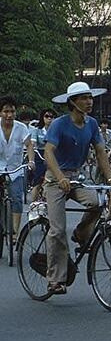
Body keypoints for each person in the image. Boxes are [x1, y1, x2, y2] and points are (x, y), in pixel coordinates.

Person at [43, 82, 111, 295]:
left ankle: (81, 232)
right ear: (73, 102)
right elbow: (48, 152)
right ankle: (55, 279)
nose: (89, 101)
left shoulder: (92, 124)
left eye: (90, 97)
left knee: (96, 202)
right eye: (84, 98)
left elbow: (101, 152)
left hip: (77, 177)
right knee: (57, 230)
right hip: (56, 179)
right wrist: (59, 177)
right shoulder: (59, 124)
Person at [0, 96, 34, 243]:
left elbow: (29, 145)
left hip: (16, 169)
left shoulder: (21, 127)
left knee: (17, 199)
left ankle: (15, 232)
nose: (9, 115)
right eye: (6, 111)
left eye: (12, 111)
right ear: (0, 112)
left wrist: (31, 161)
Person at [29, 108, 55, 199]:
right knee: (38, 181)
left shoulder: (56, 130)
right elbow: (33, 143)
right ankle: (33, 205)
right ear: (42, 118)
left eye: (51, 116)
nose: (49, 118)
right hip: (40, 155)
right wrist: (34, 148)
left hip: (53, 155)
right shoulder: (37, 130)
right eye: (47, 116)